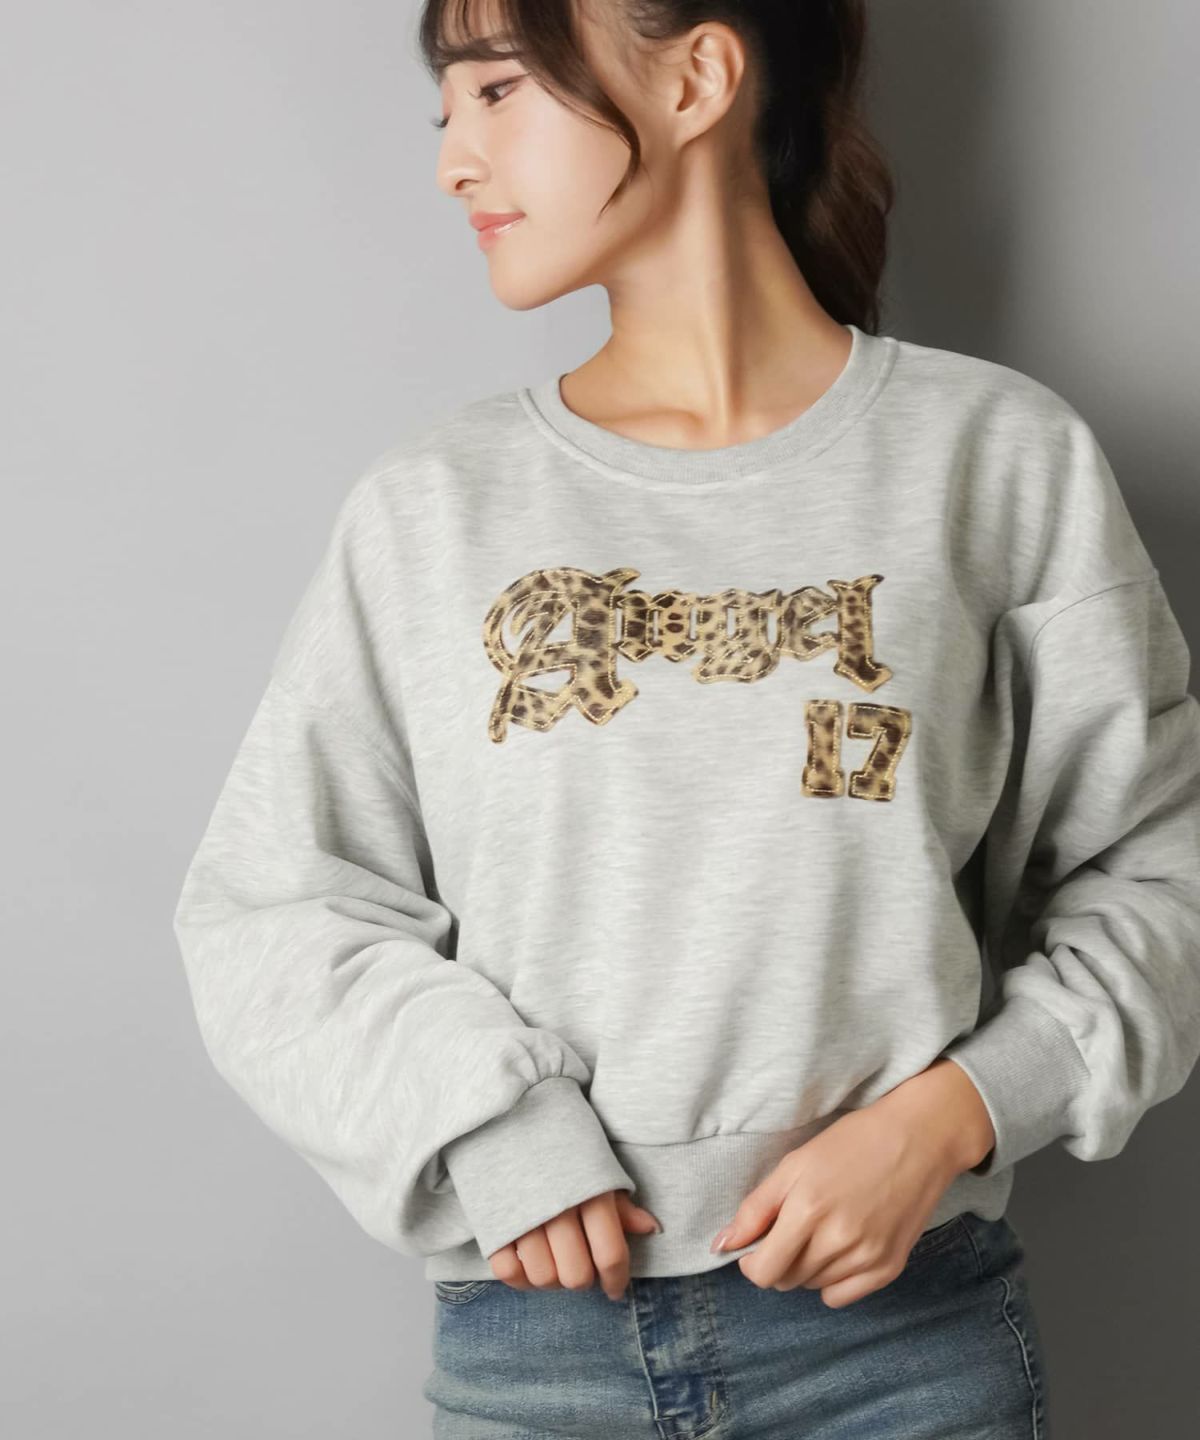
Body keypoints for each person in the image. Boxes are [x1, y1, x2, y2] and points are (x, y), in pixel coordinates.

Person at [172, 1, 1200, 1435]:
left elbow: (1158, 871)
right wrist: (496, 1129)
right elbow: (271, 909)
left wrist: (951, 1116)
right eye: (446, 108)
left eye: (497, 90)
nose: (454, 158)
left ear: (700, 74)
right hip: (541, 1354)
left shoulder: (994, 460)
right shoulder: (436, 507)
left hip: (901, 1351)